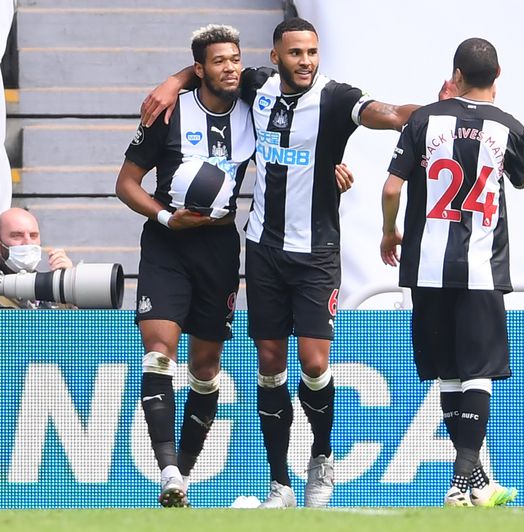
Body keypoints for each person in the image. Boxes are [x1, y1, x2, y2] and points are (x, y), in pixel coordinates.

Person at [141, 17, 418, 508]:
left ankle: (322, 457)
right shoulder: (256, 87)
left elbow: (390, 113)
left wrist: (439, 114)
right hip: (263, 249)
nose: (305, 61)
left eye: (311, 52)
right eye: (295, 53)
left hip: (316, 253)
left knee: (314, 363)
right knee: (269, 364)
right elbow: (208, 69)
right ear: (275, 58)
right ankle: (280, 484)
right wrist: (173, 80)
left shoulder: (335, 97)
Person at [380, 37, 524, 507]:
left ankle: (474, 483)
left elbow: (391, 189)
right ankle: (463, 482)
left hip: (427, 265)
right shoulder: (508, 126)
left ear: (456, 76)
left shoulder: (423, 120)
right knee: (478, 372)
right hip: (481, 267)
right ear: (497, 76)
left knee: (447, 372)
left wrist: (389, 232)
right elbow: (522, 180)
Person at [115, 24, 257, 509]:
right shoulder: (169, 114)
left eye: (235, 59)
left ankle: (186, 474)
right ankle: (168, 470)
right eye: (219, 61)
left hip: (220, 247)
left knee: (206, 366)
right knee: (159, 352)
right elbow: (126, 183)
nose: (230, 68)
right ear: (199, 69)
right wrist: (164, 217)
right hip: (167, 242)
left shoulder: (255, 108)